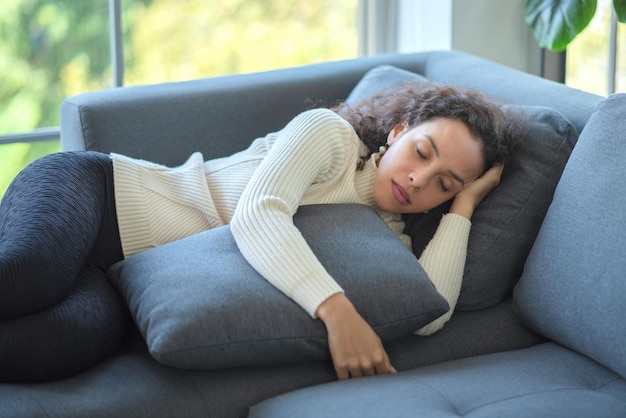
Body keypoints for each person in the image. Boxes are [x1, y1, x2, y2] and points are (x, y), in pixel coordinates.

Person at [0, 82, 516, 383]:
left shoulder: (384, 238)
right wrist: (336, 312)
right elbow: (259, 214)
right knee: (31, 275)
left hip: (115, 277)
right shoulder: (329, 136)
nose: (419, 180)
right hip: (95, 192)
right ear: (399, 132)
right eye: (421, 154)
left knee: (67, 341)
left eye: (443, 184)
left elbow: (431, 314)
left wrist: (463, 208)